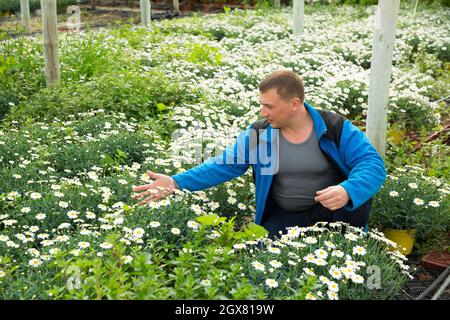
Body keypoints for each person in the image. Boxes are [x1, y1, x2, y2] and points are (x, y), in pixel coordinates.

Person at [132, 70, 387, 239]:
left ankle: (351, 247)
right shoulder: (260, 133)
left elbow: (372, 164)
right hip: (286, 214)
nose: (263, 112)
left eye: (269, 106)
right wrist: (177, 182)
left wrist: (347, 190)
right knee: (259, 255)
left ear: (294, 104)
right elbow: (225, 164)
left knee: (358, 198)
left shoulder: (334, 127)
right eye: (261, 105)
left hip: (331, 211)